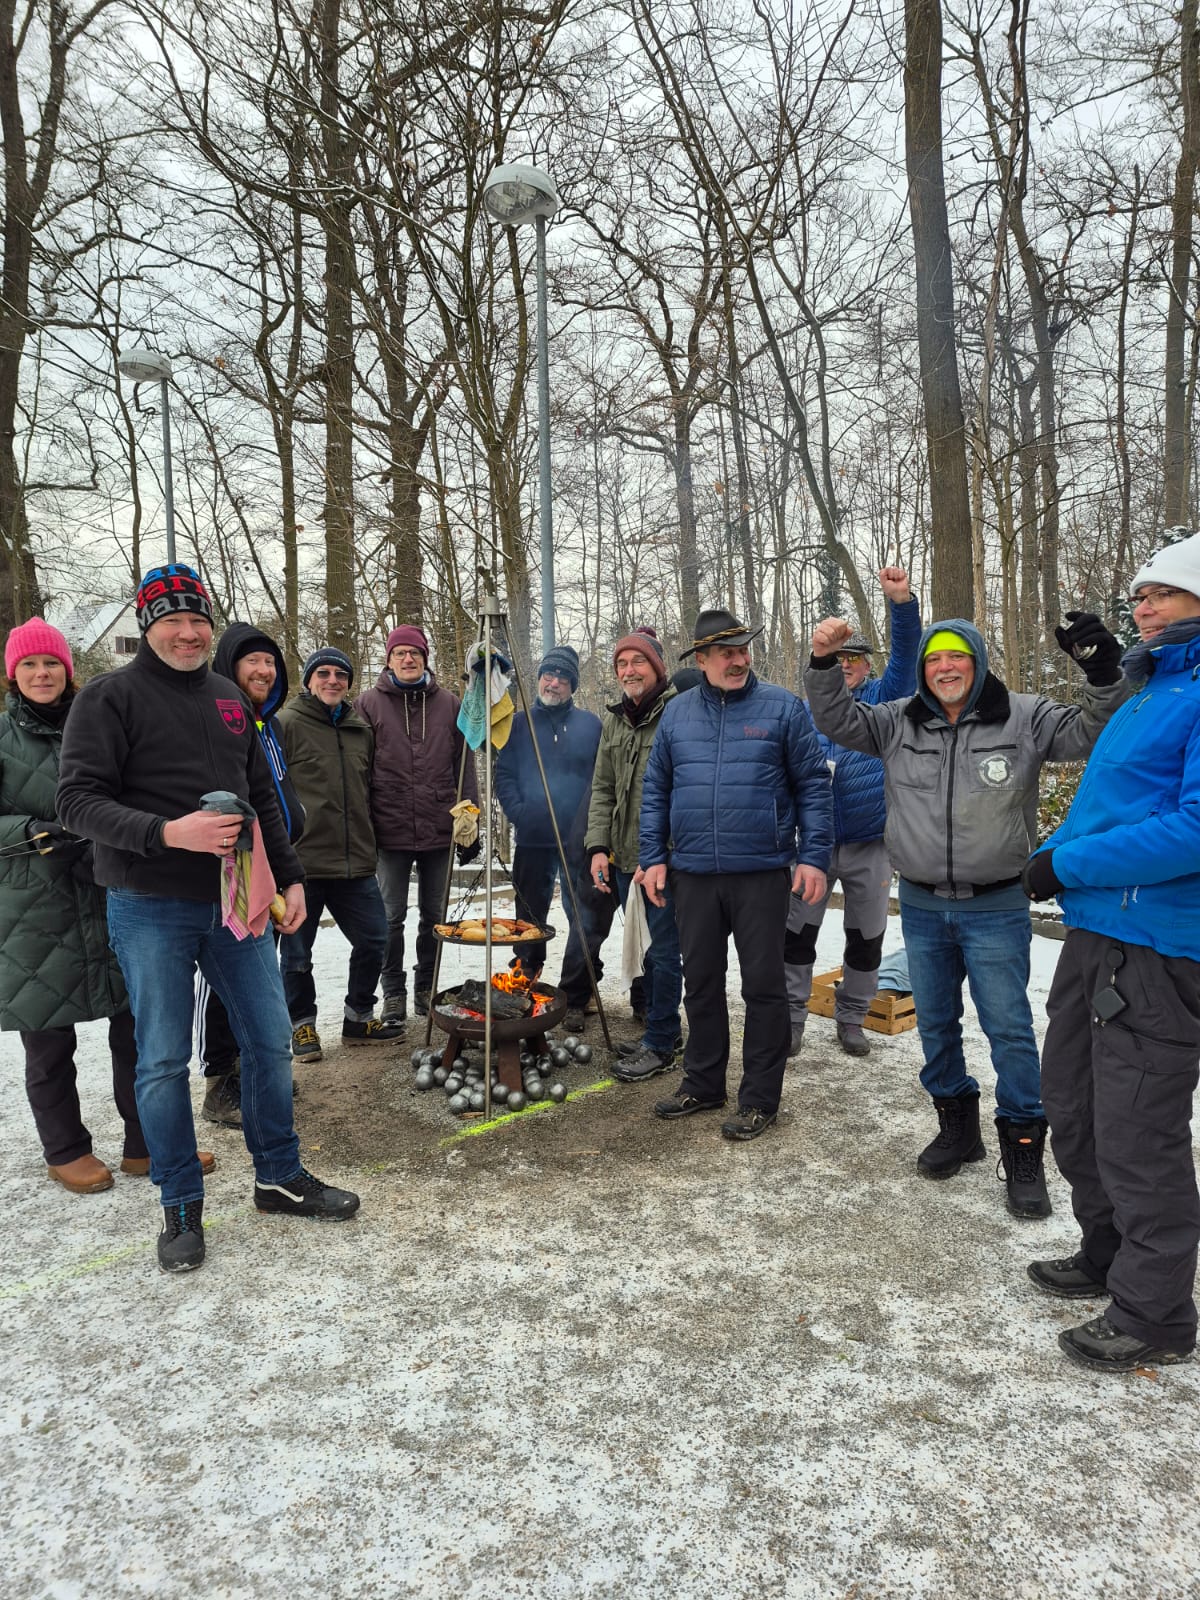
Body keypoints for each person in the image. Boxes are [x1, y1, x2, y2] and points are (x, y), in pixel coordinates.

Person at [57, 564, 358, 1274]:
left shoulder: (229, 698)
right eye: (172, 621)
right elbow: (76, 802)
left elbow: (261, 796)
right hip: (148, 900)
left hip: (237, 899)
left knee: (270, 1041)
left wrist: (290, 878)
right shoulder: (108, 698)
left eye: (198, 620)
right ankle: (181, 1202)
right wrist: (168, 833)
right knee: (162, 1061)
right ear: (147, 624)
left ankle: (277, 1176)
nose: (188, 633)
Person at [805, 610, 1128, 1218]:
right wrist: (823, 661)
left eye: (957, 657)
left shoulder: (1025, 717)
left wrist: (1103, 670)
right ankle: (958, 1128)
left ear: (977, 664)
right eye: (934, 659)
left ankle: (1025, 1149)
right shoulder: (899, 722)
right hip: (923, 904)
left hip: (997, 904)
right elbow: (835, 718)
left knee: (1007, 1030)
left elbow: (1096, 728)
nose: (944, 667)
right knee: (937, 1026)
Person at [1023, 535, 1200, 1372]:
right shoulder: (1149, 691)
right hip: (1099, 932)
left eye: (1164, 592)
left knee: (1138, 1131)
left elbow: (1194, 830)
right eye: (1140, 593)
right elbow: (1104, 804)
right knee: (1074, 1102)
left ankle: (1156, 1310)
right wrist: (1054, 850)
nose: (1144, 604)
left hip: (1159, 945)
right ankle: (1108, 1255)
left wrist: (1068, 863)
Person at [1, 619, 196, 1193]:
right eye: (30, 665)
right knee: (47, 1034)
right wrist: (30, 829)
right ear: (14, 674)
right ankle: (64, 1148)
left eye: (52, 663)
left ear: (68, 669)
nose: (42, 674)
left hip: (111, 887)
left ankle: (145, 1142)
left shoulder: (102, 719)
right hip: (32, 908)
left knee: (134, 1025)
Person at [639, 607, 833, 1140]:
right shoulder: (676, 716)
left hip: (762, 872)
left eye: (743, 649)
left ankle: (759, 1098)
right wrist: (652, 856)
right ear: (701, 660)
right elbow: (655, 790)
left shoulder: (783, 709)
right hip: (694, 872)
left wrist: (814, 856)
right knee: (700, 982)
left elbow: (814, 786)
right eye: (727, 652)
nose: (740, 659)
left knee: (764, 987)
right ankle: (703, 1082)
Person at [787, 566, 921, 1058]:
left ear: (866, 667)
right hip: (813, 846)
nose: (845, 664)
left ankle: (852, 1019)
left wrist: (902, 605)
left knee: (865, 937)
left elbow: (908, 658)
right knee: (797, 934)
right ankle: (792, 1018)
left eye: (854, 658)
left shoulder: (887, 701)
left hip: (870, 843)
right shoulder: (803, 712)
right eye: (837, 657)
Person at [196, 620, 306, 1127]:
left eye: (270, 662)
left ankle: (255, 1072)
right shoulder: (215, 721)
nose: (263, 670)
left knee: (258, 977)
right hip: (231, 868)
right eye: (252, 661)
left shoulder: (269, 724)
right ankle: (221, 1082)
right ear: (228, 666)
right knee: (225, 982)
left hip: (272, 868)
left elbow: (273, 789)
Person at [277, 646, 401, 1059]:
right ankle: (302, 1026)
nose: (333, 681)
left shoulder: (359, 728)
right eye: (324, 673)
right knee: (297, 953)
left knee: (375, 938)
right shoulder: (285, 724)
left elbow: (372, 791)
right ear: (309, 679)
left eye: (340, 675)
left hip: (356, 861)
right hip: (303, 863)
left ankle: (358, 1016)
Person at [354, 624, 478, 1023]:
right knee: (390, 917)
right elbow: (358, 769)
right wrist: (361, 824)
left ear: (426, 658)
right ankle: (393, 991)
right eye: (400, 653)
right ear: (388, 660)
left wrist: (469, 822)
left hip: (439, 828)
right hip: (387, 829)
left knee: (435, 916)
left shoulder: (450, 704)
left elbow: (465, 767)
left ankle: (427, 985)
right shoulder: (367, 705)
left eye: (415, 653)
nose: (408, 659)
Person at [585, 627, 683, 1080]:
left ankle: (662, 1042)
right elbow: (603, 789)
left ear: (656, 668)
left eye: (637, 662)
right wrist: (599, 848)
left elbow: (685, 793)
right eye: (622, 664)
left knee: (663, 951)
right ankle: (659, 1031)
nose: (629, 671)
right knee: (643, 949)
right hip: (624, 861)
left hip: (661, 862)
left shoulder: (678, 714)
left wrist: (658, 854)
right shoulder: (615, 720)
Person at [495, 644, 601, 1016]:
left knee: (583, 916)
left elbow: (600, 781)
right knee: (529, 918)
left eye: (562, 678)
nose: (553, 683)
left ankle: (579, 988)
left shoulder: (591, 726)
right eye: (548, 675)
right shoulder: (519, 724)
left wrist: (590, 828)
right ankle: (525, 976)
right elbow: (504, 775)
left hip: (579, 840)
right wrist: (520, 813)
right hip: (533, 837)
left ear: (572, 685)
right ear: (539, 678)